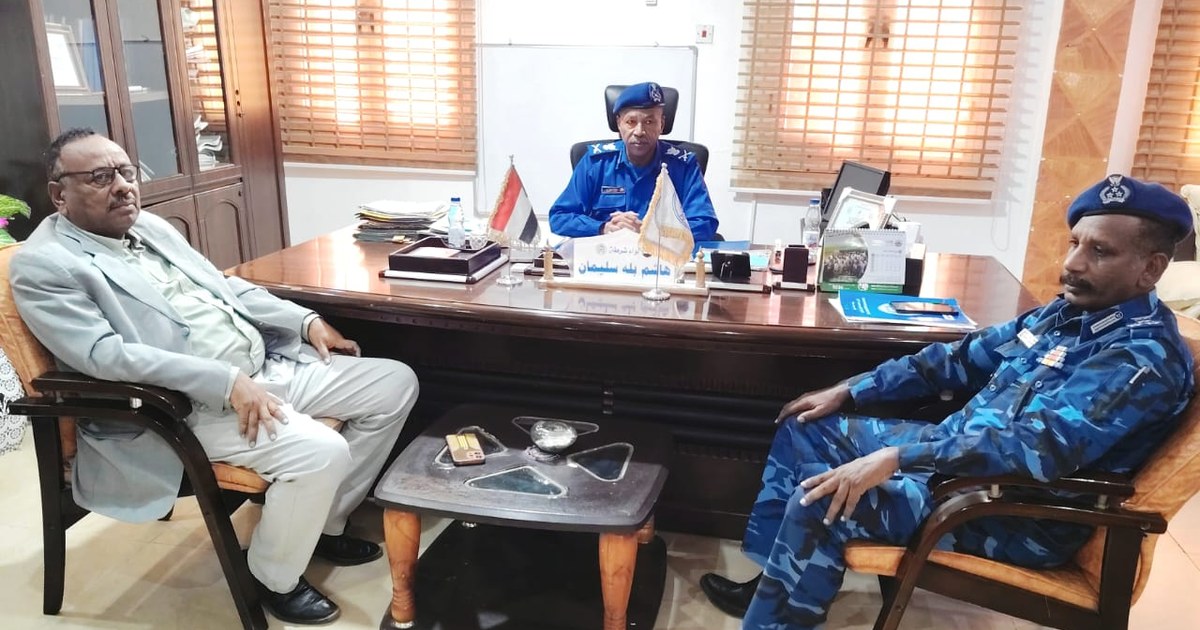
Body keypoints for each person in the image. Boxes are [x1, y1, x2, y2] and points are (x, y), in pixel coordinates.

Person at [699, 174, 1196, 629]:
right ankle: (775, 581)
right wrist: (851, 389)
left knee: (822, 501)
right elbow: (957, 358)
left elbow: (1038, 447)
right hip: (953, 461)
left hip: (1009, 509)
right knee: (806, 424)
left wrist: (898, 457)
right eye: (1075, 243)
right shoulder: (1064, 315)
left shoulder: (1140, 358)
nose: (1072, 263)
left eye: (1100, 251)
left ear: (1150, 268)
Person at [10, 128, 420, 626]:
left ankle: (322, 526)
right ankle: (271, 576)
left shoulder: (150, 227)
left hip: (262, 370)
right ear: (59, 194)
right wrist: (223, 380)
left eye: (125, 171)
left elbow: (227, 289)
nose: (122, 186)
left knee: (394, 384)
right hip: (180, 407)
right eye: (99, 177)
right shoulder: (45, 265)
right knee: (322, 452)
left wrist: (304, 321)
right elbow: (103, 355)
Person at [548, 81, 719, 240]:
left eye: (649, 122)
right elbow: (559, 217)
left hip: (660, 256)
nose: (639, 131)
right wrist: (603, 228)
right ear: (619, 123)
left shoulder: (683, 165)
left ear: (661, 124)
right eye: (631, 122)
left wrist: (649, 231)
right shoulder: (596, 163)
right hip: (604, 255)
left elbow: (705, 223)